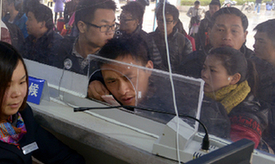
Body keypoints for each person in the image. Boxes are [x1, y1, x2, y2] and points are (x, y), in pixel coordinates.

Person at [89, 35, 230, 138]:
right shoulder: (104, 89)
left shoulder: (182, 106)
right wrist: (94, 81)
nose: (122, 90)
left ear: (149, 68)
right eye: (112, 81)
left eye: (130, 78)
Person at [201, 47, 269, 149]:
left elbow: (231, 154)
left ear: (234, 78)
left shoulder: (247, 119)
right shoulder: (200, 97)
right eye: (204, 68)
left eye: (212, 70)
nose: (204, 74)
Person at [52, 0, 116, 74]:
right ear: (82, 26)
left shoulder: (115, 61)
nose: (110, 32)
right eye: (104, 26)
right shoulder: (59, 49)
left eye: (113, 25)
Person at [116, 1, 163, 70]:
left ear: (137, 21)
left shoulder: (146, 40)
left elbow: (157, 65)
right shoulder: (116, 35)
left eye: (125, 20)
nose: (121, 22)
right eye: (120, 18)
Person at [152, 3, 193, 71]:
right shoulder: (149, 39)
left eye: (167, 21)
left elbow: (188, 67)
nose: (163, 24)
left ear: (175, 22)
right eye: (161, 20)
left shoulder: (184, 42)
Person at [23, 0, 63, 65]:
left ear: (42, 24)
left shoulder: (56, 44)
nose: (26, 23)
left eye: (30, 19)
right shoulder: (29, 39)